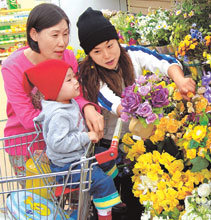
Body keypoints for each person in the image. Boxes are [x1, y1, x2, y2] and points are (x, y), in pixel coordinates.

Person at [76, 7, 196, 219]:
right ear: (89, 54)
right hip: (107, 146)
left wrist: (180, 80)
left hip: (139, 141)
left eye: (109, 45)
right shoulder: (90, 74)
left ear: (116, 40)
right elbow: (111, 102)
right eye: (96, 51)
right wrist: (137, 109)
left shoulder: (132, 54)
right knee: (112, 201)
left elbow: (164, 62)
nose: (106, 55)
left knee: (138, 196)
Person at [1, 3, 103, 178]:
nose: (62, 42)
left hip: (66, 148)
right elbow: (27, 118)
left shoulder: (67, 57)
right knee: (39, 204)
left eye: (65, 34)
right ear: (34, 34)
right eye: (54, 35)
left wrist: (88, 108)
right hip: (29, 147)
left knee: (73, 200)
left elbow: (75, 95)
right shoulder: (13, 66)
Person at [24, 59, 120, 220]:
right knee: (101, 182)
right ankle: (105, 211)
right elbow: (59, 143)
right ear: (53, 88)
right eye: (69, 80)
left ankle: (108, 198)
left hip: (78, 157)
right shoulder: (58, 115)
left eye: (74, 77)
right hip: (67, 168)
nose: (76, 82)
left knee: (107, 159)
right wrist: (87, 136)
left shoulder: (69, 102)